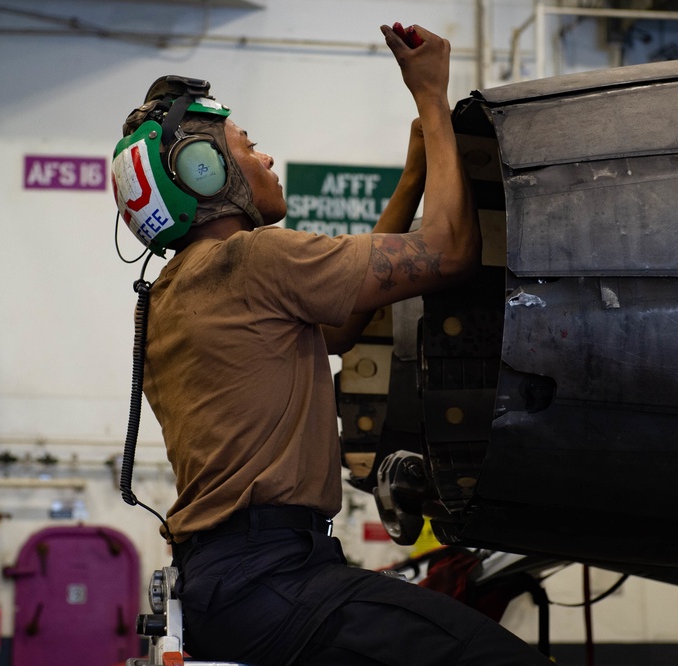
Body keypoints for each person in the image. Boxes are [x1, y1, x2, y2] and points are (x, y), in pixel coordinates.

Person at [116, 23, 551, 666]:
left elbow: (341, 331)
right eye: (250, 146)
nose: (266, 158)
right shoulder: (256, 260)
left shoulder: (176, 295)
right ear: (205, 174)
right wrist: (431, 97)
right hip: (276, 578)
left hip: (226, 582)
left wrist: (412, 179)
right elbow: (453, 253)